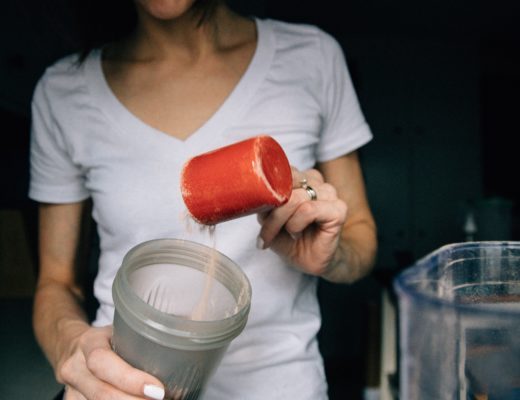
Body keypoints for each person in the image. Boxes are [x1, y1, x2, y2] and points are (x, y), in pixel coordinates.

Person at [29, 0, 377, 398]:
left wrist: (332, 255)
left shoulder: (312, 58)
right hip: (126, 387)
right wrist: (74, 344)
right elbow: (56, 283)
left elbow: (361, 240)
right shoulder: (63, 92)